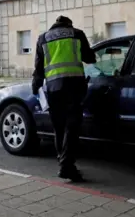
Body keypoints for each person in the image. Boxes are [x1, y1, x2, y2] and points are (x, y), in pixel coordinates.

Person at [32, 16, 96, 182]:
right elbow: (89, 58)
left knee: (59, 128)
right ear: (69, 24)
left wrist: (36, 86)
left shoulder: (43, 38)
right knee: (72, 127)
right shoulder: (77, 34)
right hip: (74, 86)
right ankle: (67, 165)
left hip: (53, 89)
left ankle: (63, 162)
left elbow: (38, 68)